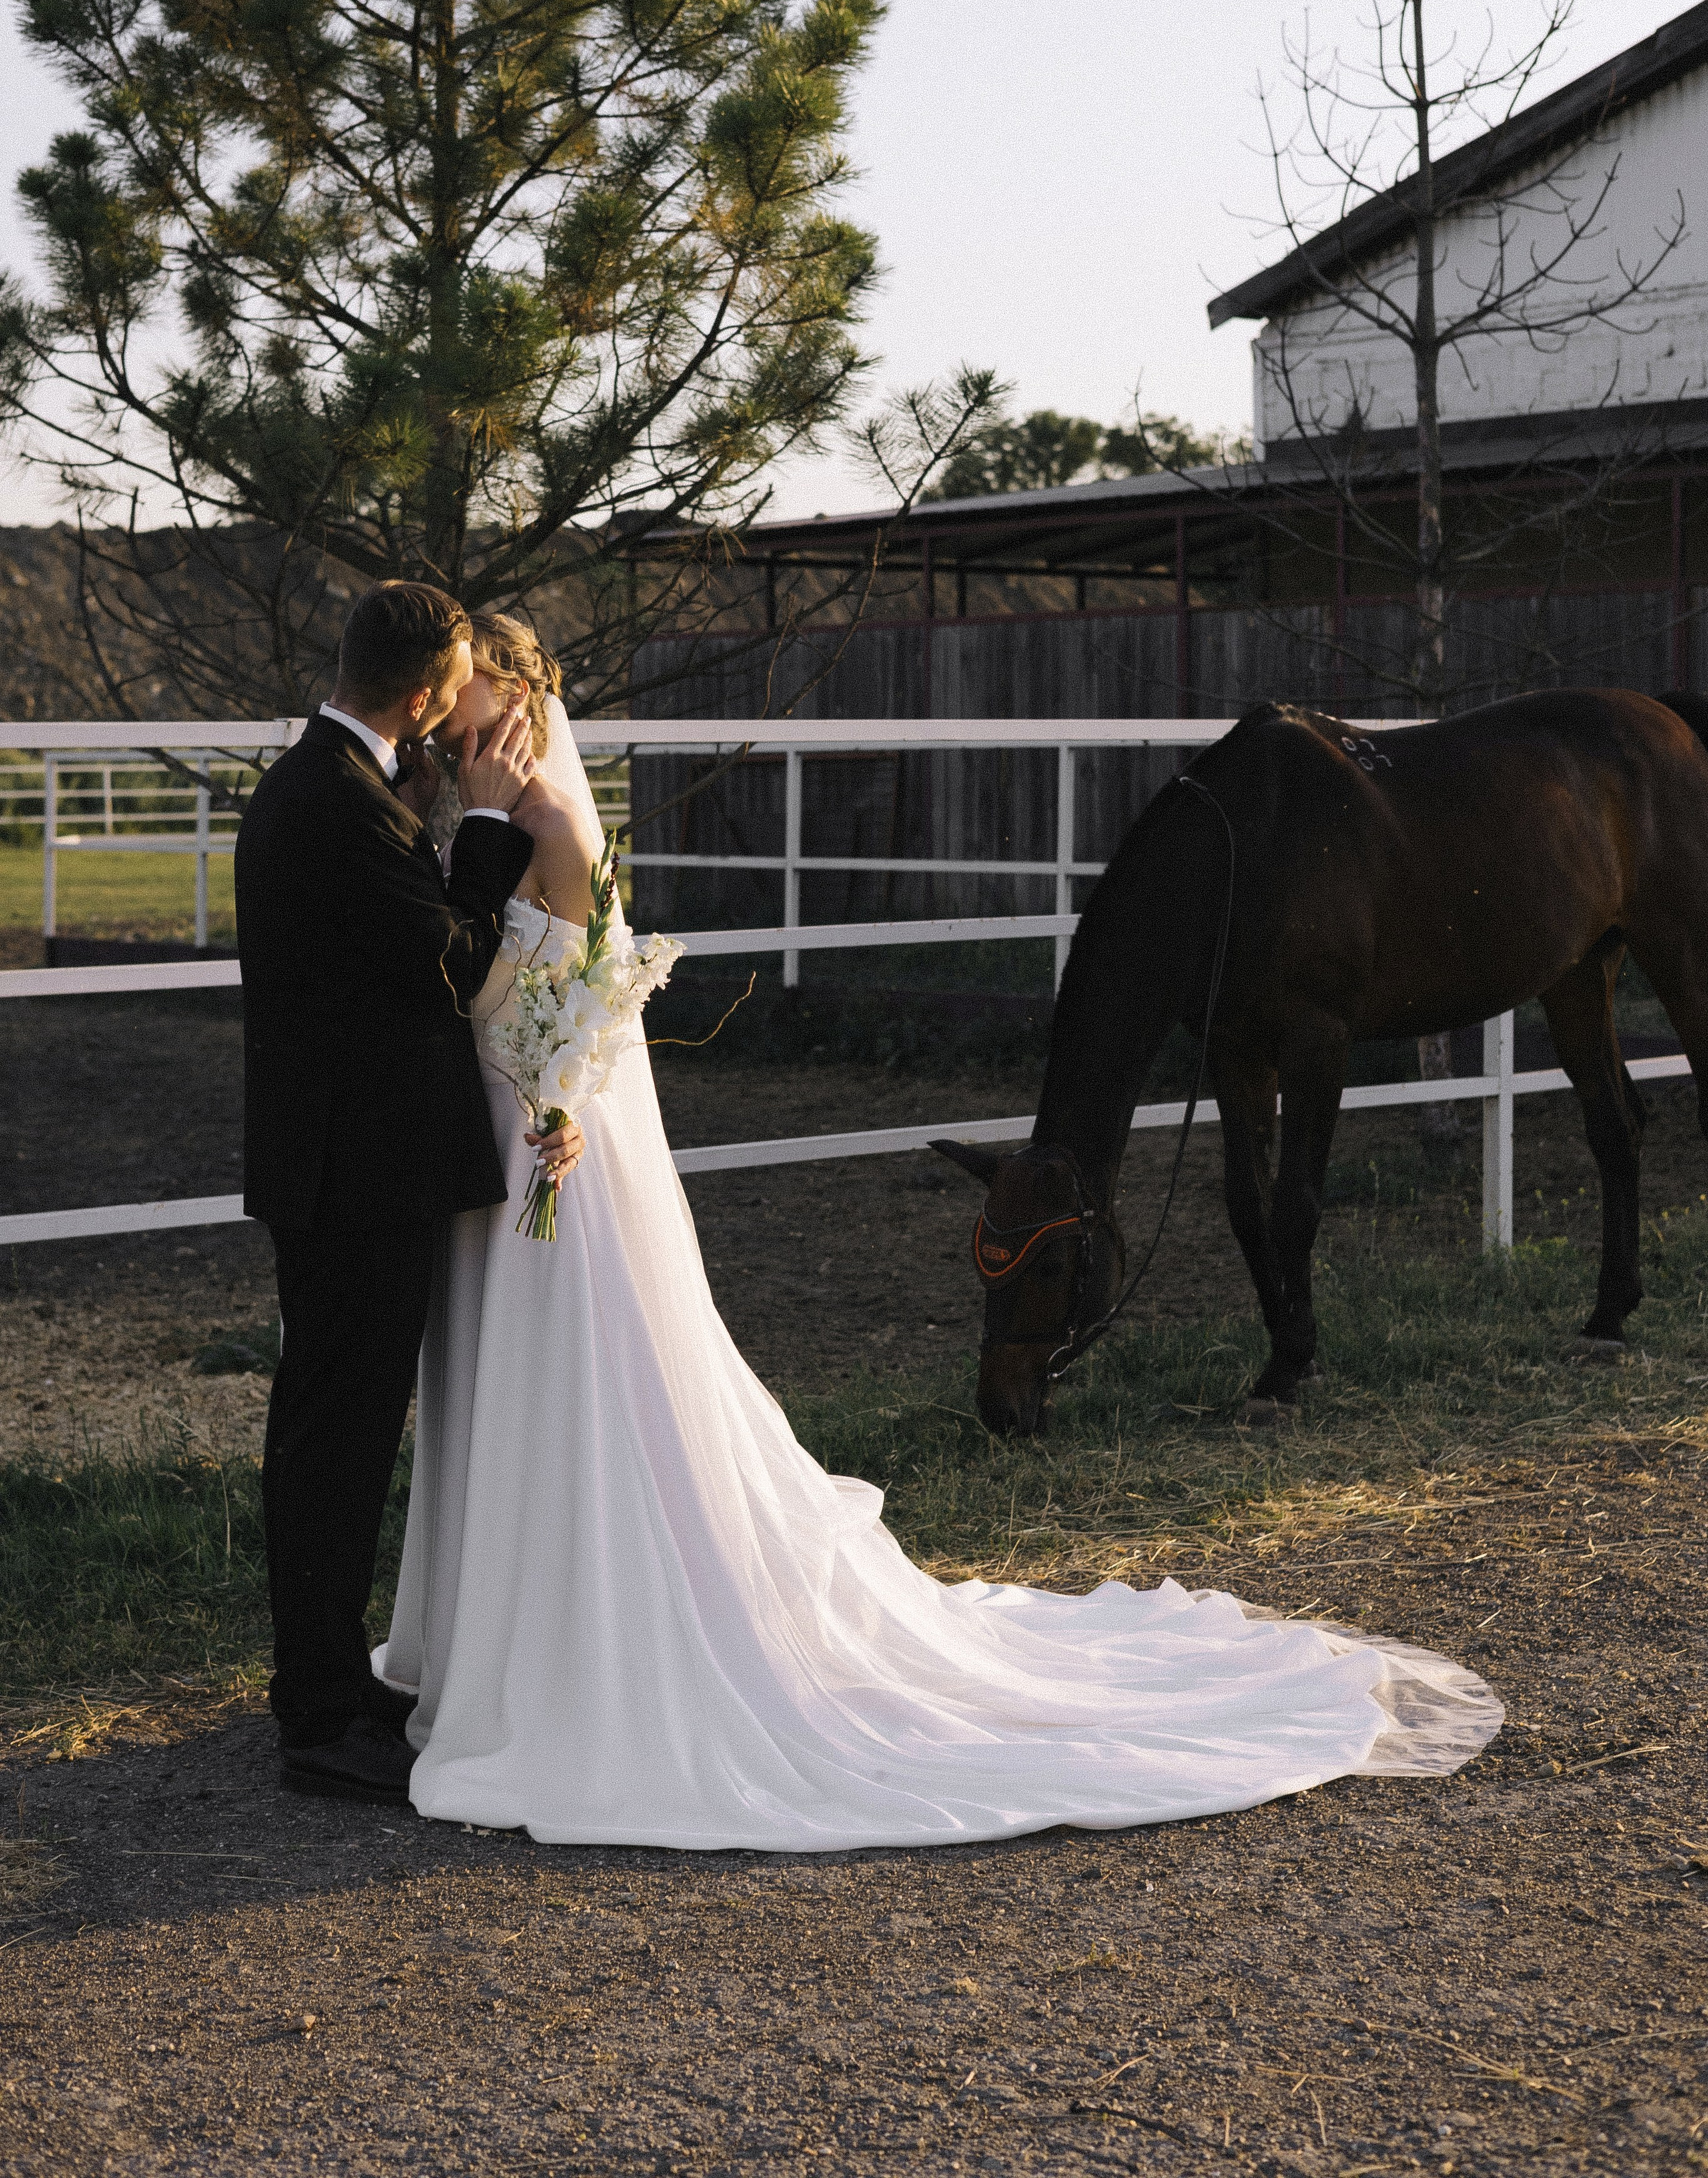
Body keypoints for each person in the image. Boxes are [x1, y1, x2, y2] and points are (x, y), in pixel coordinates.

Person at [376, 623, 1503, 1849]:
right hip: (498, 1137)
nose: (445, 720)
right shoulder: (469, 806)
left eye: (467, 699)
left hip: (553, 1148)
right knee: (506, 1387)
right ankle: (506, 1633)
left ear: (523, 697)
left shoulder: (547, 820)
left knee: (580, 1388)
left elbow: (591, 990)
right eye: (440, 706)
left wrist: (555, 1097)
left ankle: (583, 1650)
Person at [236, 582, 583, 1804]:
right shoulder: (338, 805)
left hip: (344, 1161)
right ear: (433, 692)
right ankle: (320, 1714)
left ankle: (330, 1678)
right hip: (353, 1175)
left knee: (335, 1430)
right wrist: (485, 826)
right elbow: (452, 960)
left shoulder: (333, 782)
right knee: (334, 1440)